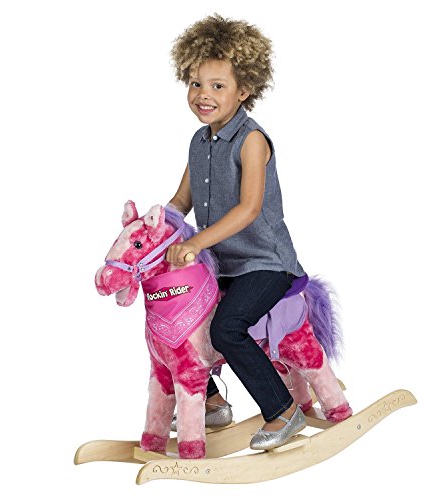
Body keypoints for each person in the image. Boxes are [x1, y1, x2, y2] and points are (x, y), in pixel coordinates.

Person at [165, 13, 307, 450]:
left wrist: (194, 242)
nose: (202, 95)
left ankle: (284, 410)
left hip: (263, 263)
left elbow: (249, 209)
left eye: (217, 85)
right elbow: (181, 201)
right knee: (179, 323)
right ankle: (210, 403)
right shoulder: (199, 141)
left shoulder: (252, 140)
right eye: (195, 83)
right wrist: (152, 228)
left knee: (227, 328)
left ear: (244, 89)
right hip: (222, 264)